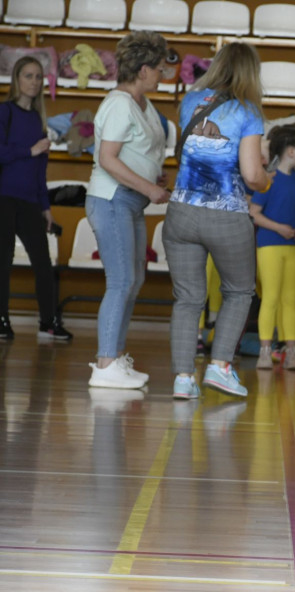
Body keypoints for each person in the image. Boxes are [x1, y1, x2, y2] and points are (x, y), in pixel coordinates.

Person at [164, 41, 272, 399]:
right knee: (239, 292)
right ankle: (220, 367)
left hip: (180, 211)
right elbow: (252, 174)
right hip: (225, 214)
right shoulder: (249, 111)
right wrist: (267, 181)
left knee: (188, 299)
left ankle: (182, 378)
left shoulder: (190, 101)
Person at [85, 31, 170, 389]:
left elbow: (140, 149)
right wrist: (149, 186)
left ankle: (115, 357)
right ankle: (105, 364)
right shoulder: (119, 103)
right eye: (160, 67)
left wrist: (154, 171)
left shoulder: (142, 102)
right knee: (120, 282)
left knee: (132, 281)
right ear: (144, 68)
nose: (164, 73)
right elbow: (107, 158)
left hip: (129, 201)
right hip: (112, 199)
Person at [0, 56, 70, 343]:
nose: (34, 81)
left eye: (38, 77)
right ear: (17, 79)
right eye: (28, 76)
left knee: (43, 262)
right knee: (3, 262)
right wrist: (29, 150)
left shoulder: (39, 121)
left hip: (30, 201)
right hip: (4, 198)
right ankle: (2, 319)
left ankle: (48, 321)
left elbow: (41, 173)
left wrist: (46, 208)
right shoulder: (5, 112)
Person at [251, 125, 295, 371]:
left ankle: (291, 350)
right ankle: (265, 351)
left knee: (289, 299)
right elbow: (254, 214)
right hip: (270, 246)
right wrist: (279, 228)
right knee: (271, 297)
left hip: (294, 247)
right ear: (291, 151)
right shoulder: (269, 179)